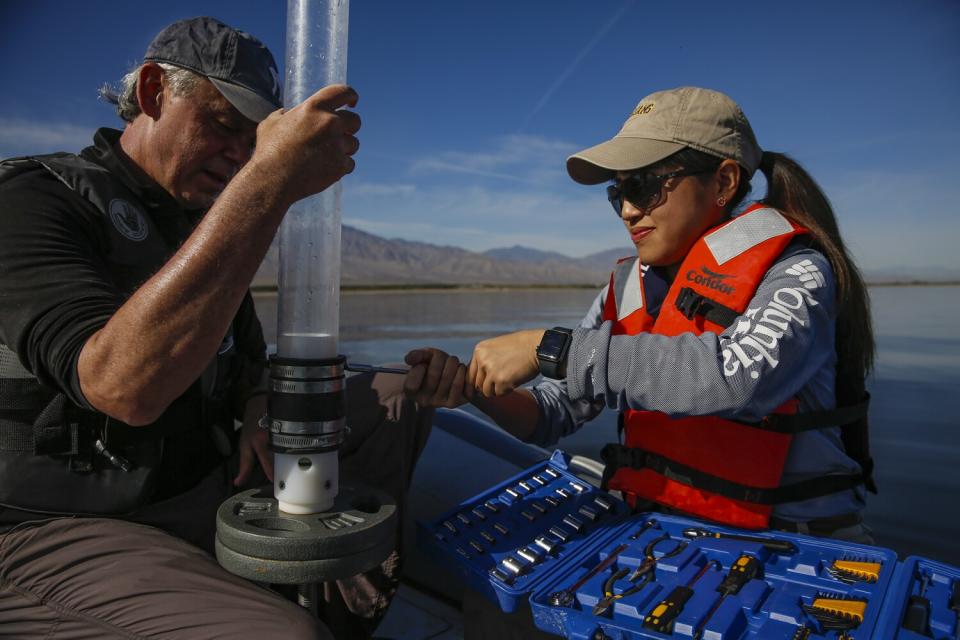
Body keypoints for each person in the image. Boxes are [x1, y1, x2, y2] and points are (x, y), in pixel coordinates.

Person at [0, 17, 435, 639]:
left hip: (200, 482)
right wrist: (269, 182)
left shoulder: (199, 227)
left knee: (396, 396)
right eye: (225, 126)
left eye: (255, 140)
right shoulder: (31, 199)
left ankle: (343, 602)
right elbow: (121, 387)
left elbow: (249, 364)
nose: (239, 155)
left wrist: (258, 403)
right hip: (56, 524)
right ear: (152, 93)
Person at [418, 86, 877, 544]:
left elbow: (737, 377)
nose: (629, 211)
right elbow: (548, 416)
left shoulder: (798, 271)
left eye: (644, 186)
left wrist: (551, 348)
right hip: (664, 534)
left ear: (723, 182)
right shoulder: (623, 289)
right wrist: (472, 387)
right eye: (618, 193)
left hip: (796, 544)